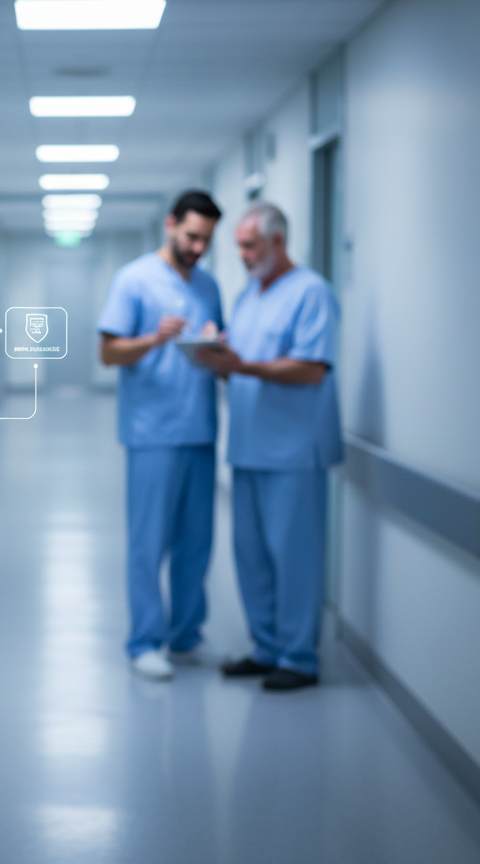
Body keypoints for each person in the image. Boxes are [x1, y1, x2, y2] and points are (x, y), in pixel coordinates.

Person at [197, 201, 343, 691]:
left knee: (294, 558)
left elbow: (310, 367)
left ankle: (299, 658)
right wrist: (217, 356)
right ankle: (266, 648)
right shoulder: (249, 297)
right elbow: (243, 359)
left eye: (250, 245)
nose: (241, 254)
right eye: (238, 245)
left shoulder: (311, 292)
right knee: (252, 556)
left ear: (278, 242)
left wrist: (242, 367)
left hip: (294, 454)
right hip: (248, 448)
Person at [96, 190, 224, 681]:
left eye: (206, 240)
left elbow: (218, 343)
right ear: (170, 224)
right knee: (149, 544)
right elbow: (109, 353)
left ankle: (187, 636)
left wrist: (216, 344)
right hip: (152, 433)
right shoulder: (133, 279)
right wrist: (154, 338)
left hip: (200, 431)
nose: (197, 247)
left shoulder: (209, 284)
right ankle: (145, 641)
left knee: (197, 542)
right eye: (192, 236)